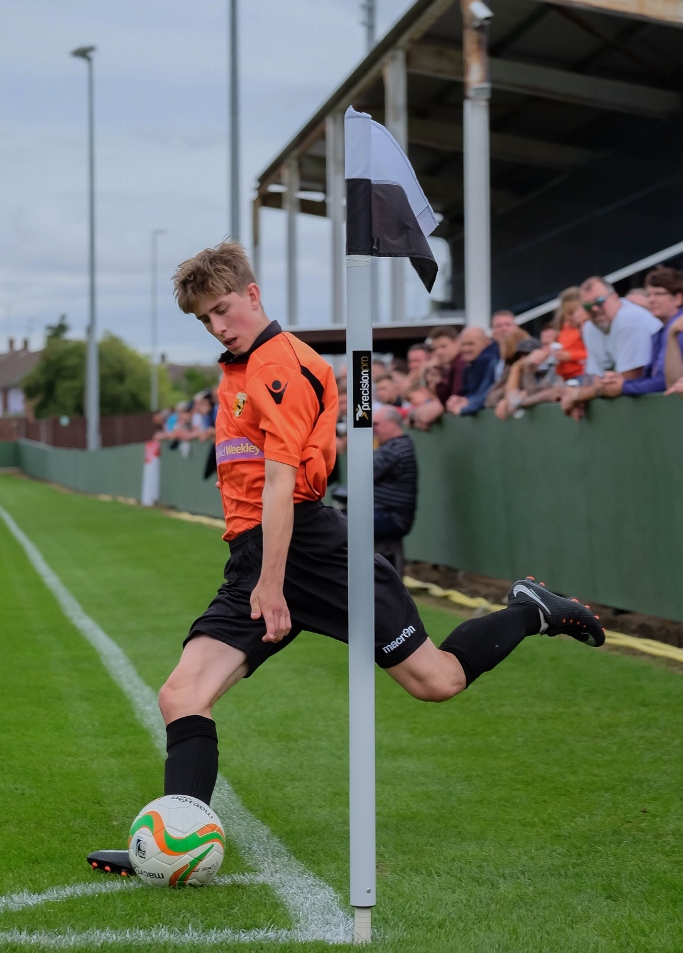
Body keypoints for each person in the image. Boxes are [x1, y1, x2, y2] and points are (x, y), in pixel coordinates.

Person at [87, 240, 604, 875]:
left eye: (223, 309)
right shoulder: (239, 369)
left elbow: (282, 484)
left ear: (253, 294)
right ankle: (174, 845)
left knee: (436, 682)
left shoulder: (282, 366)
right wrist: (260, 575)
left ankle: (530, 610)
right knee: (182, 693)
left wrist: (271, 584)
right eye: (204, 319)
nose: (217, 326)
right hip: (256, 555)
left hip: (312, 549)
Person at [561, 277, 660, 419]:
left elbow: (627, 380)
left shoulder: (629, 318)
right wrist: (580, 400)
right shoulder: (590, 327)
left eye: (600, 301)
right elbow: (593, 378)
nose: (595, 309)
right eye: (588, 306)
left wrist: (577, 396)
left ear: (615, 297)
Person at [600, 267, 683, 399]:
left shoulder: (679, 330)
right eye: (648, 294)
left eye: (658, 294)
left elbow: (668, 383)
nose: (651, 300)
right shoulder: (660, 332)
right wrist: (621, 382)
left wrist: (624, 387)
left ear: (678, 298)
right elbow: (651, 378)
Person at [372, 406, 417, 540]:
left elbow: (366, 472)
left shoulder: (399, 447)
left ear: (392, 423)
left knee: (337, 524)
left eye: (376, 424)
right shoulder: (392, 445)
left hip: (391, 517)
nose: (373, 429)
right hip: (382, 513)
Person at [410, 326, 464, 429]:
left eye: (444, 346)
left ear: (457, 343)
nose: (439, 352)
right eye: (435, 349)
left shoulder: (462, 364)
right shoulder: (451, 367)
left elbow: (449, 400)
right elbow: (443, 399)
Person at [445, 328, 498, 417]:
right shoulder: (469, 364)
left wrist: (465, 406)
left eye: (471, 344)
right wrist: (461, 400)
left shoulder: (486, 360)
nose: (466, 349)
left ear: (486, 342)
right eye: (463, 344)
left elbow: (487, 393)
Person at [491, 310, 518, 382]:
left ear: (516, 328)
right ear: (493, 332)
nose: (503, 329)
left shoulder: (525, 351)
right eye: (498, 326)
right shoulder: (489, 355)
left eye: (508, 325)